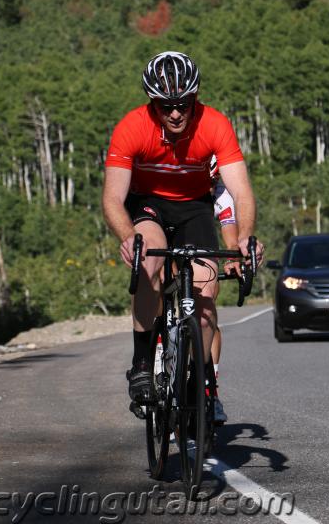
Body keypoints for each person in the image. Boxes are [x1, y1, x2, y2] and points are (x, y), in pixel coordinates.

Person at [102, 51, 264, 414]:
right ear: (152, 103)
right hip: (148, 204)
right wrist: (128, 236)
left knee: (206, 286)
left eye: (183, 104)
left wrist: (244, 237)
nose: (175, 113)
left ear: (195, 98)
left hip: (194, 207)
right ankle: (142, 364)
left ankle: (198, 382)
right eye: (166, 106)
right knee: (148, 259)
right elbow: (112, 198)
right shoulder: (132, 127)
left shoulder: (215, 124)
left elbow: (241, 192)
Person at [210, 155, 242, 424]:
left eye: (213, 181)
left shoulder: (221, 192)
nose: (210, 186)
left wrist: (233, 257)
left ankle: (210, 391)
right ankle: (160, 354)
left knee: (208, 309)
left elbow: (229, 231)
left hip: (198, 239)